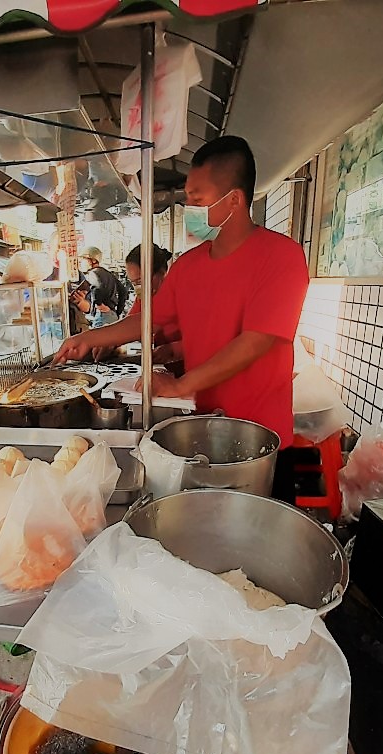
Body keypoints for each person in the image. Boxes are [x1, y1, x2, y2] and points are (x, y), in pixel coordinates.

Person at [56, 136, 309, 502]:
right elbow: (148, 321)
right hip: (200, 431)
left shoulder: (281, 257)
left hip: (261, 441)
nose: (187, 206)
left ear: (234, 200)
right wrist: (89, 339)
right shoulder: (189, 267)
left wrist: (181, 384)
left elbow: (257, 340)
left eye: (197, 198)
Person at [75, 247, 127, 326]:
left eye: (83, 259)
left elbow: (97, 288)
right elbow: (123, 291)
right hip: (112, 315)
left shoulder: (93, 273)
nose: (80, 263)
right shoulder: (108, 274)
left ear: (93, 260)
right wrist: (118, 311)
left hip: (102, 315)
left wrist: (98, 305)